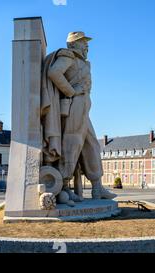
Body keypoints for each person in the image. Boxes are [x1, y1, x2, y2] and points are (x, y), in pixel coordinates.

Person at [41, 31, 116, 201]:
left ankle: (97, 187)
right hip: (75, 104)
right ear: (73, 44)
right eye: (83, 42)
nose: (86, 45)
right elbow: (54, 72)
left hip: (83, 106)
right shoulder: (68, 55)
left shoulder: (81, 61)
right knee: (72, 143)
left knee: (92, 145)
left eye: (86, 42)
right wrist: (71, 91)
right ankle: (64, 186)